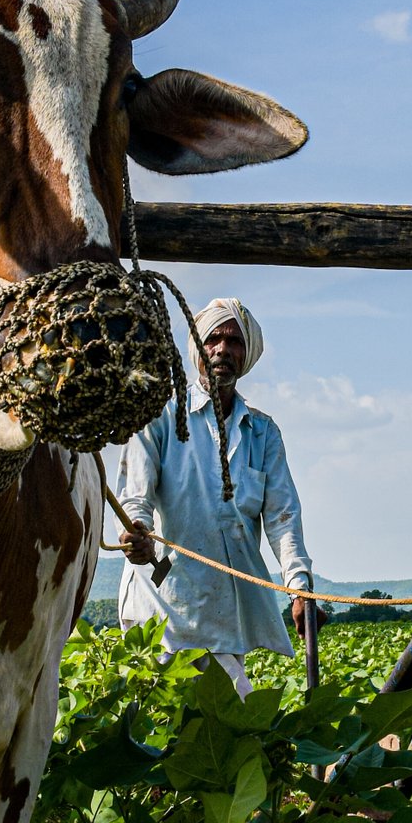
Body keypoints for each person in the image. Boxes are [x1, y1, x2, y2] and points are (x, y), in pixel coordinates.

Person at [117, 297, 316, 694]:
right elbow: (135, 496)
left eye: (234, 342)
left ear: (247, 354)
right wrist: (136, 533)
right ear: (198, 348)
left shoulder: (263, 433)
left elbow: (282, 518)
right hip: (164, 605)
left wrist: (300, 584)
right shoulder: (160, 415)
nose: (223, 349)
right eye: (213, 339)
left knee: (222, 727)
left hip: (225, 607)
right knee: (173, 724)